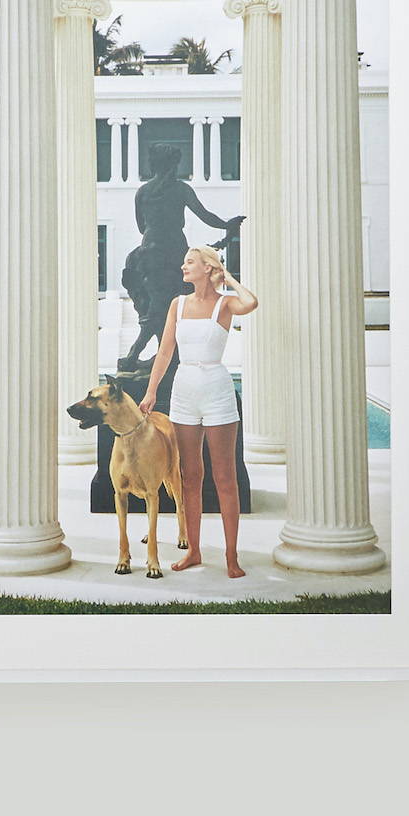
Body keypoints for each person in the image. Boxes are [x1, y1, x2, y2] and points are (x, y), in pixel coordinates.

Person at [145, 243, 258, 577]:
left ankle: (231, 556)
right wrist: (152, 391)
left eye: (190, 262)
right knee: (189, 476)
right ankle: (193, 551)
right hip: (184, 392)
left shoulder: (225, 304)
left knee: (225, 477)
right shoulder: (177, 305)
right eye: (184, 262)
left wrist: (230, 278)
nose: (183, 267)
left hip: (217, 391)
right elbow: (164, 353)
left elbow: (251, 302)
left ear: (208, 268)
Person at [118, 145, 241, 369]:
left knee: (161, 305)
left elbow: (140, 226)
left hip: (148, 250)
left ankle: (153, 355)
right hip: (173, 249)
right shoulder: (181, 189)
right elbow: (204, 215)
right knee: (167, 305)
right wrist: (226, 225)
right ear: (173, 164)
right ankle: (134, 355)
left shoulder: (143, 192)